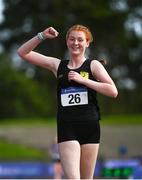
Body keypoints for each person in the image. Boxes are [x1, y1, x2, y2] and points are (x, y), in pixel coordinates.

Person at [17, 24, 118, 179]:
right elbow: (22, 53)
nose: (75, 43)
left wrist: (84, 80)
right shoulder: (58, 65)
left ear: (87, 43)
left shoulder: (93, 65)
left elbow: (113, 91)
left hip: (90, 126)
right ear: (67, 42)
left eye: (80, 40)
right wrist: (42, 35)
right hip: (67, 127)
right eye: (72, 39)